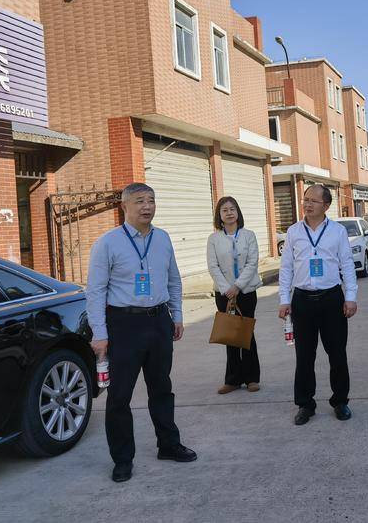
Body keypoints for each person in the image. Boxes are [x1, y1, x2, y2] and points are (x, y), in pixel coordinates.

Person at [86, 182, 197, 483]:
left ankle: (168, 445)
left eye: (151, 200)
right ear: (124, 206)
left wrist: (177, 315)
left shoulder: (162, 238)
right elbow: (95, 291)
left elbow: (173, 279)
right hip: (124, 324)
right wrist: (100, 333)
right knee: (119, 396)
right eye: (139, 201)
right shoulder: (107, 243)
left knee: (161, 387)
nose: (147, 206)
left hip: (159, 320)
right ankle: (122, 459)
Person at [278, 184, 358, 425]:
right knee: (304, 356)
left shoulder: (337, 231)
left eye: (313, 200)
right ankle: (305, 404)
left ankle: (340, 401)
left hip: (332, 299)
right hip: (302, 300)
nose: (307, 204)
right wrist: (284, 299)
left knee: (337, 354)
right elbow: (286, 268)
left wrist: (350, 296)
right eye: (305, 199)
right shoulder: (294, 232)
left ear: (326, 205)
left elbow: (347, 264)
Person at [207, 196, 262, 394]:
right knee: (230, 335)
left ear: (237, 212)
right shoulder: (214, 239)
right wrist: (226, 289)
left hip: (246, 292)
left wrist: (237, 286)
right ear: (219, 216)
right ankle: (232, 380)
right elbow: (213, 266)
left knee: (246, 333)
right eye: (224, 210)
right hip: (224, 294)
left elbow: (252, 262)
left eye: (232, 209)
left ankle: (252, 378)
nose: (229, 213)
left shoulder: (249, 235)